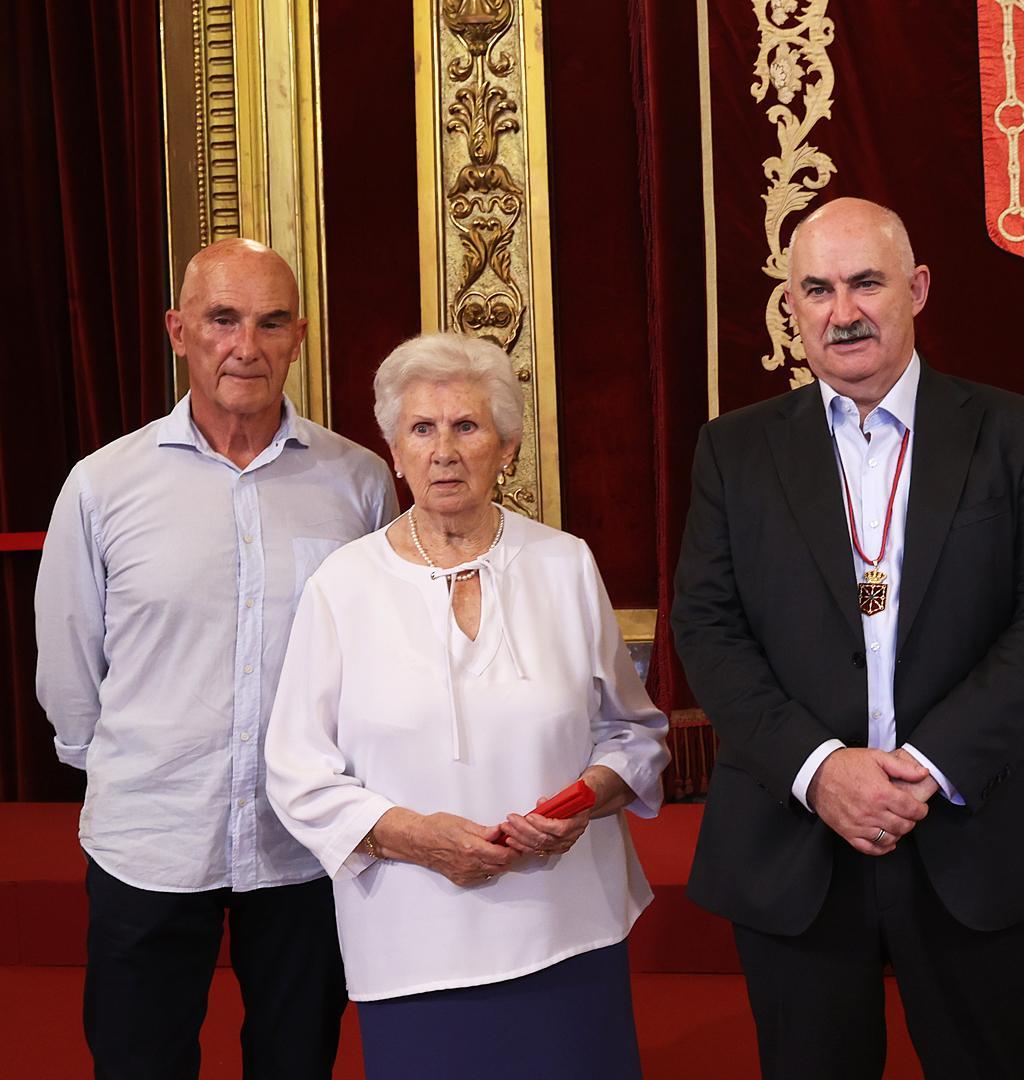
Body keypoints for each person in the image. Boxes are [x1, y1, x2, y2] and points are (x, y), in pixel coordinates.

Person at [671, 197, 1024, 1079]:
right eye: (816, 289)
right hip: (795, 841)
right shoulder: (733, 451)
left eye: (866, 282)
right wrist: (821, 767)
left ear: (918, 289)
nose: (843, 311)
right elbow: (707, 628)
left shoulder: (1015, 433)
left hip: (976, 831)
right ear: (791, 306)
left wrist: (925, 769)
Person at [34, 238, 395, 1078]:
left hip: (304, 842)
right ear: (178, 330)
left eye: (272, 323)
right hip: (152, 838)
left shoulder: (361, 483)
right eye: (222, 319)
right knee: (139, 1061)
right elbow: (69, 666)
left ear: (298, 336)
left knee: (297, 1059)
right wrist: (132, 772)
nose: (247, 346)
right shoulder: (100, 486)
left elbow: (378, 658)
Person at [264, 332, 670, 1077]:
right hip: (413, 944)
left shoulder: (564, 562)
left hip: (569, 929)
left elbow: (634, 736)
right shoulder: (342, 586)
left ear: (507, 447)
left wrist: (584, 801)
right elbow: (298, 773)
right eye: (422, 428)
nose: (443, 450)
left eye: (467, 426)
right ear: (394, 448)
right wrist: (416, 836)